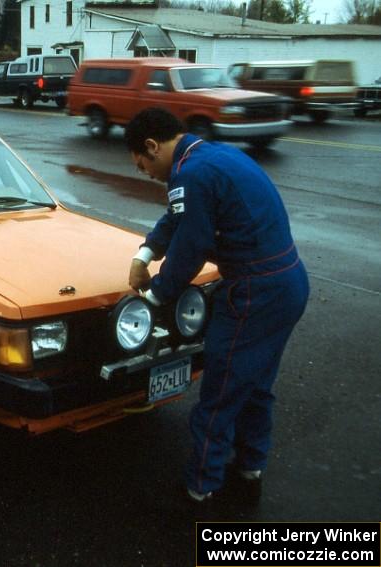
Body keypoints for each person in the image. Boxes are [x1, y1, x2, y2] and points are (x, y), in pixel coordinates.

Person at [124, 108, 309, 507]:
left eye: (143, 165)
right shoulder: (215, 156)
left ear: (153, 147)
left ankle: (198, 489)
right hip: (289, 283)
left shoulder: (191, 174)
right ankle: (249, 471)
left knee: (221, 392)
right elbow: (179, 217)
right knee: (255, 386)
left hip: (254, 293)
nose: (147, 173)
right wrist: (145, 254)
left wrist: (156, 294)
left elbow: (190, 245)